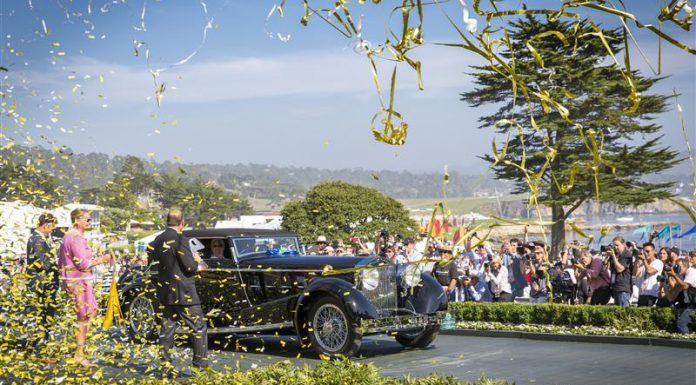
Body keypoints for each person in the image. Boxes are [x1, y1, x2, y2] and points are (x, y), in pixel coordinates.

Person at [148, 208, 208, 375]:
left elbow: (151, 262)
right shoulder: (182, 239)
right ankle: (200, 368)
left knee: (167, 330)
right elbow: (190, 266)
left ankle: (165, 367)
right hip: (184, 292)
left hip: (166, 292)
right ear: (182, 223)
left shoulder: (157, 240)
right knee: (198, 328)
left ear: (167, 221)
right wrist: (200, 263)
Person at [58, 209, 113, 367]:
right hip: (77, 281)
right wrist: (103, 259)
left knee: (90, 313)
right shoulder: (74, 236)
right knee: (83, 316)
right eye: (87, 220)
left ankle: (80, 347)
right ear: (77, 220)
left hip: (82, 280)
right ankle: (79, 352)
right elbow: (82, 263)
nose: (89, 223)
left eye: (89, 220)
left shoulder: (78, 236)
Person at [25, 213, 59, 364]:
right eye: (52, 228)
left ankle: (37, 348)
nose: (52, 231)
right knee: (43, 316)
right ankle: (40, 351)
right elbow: (45, 263)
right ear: (45, 225)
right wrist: (60, 266)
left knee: (44, 317)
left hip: (44, 283)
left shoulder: (38, 238)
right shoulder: (37, 239)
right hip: (41, 283)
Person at [670, 255, 696, 334]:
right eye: (676, 266)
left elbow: (685, 286)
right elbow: (676, 288)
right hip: (690, 303)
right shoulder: (682, 275)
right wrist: (670, 276)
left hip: (693, 304)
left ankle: (687, 342)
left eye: (678, 266)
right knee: (683, 323)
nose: (676, 268)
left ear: (685, 266)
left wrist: (674, 275)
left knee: (681, 323)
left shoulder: (692, 271)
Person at [633, 242, 663, 307]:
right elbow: (635, 274)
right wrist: (636, 260)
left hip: (652, 294)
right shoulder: (642, 263)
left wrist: (644, 261)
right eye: (644, 251)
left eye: (647, 251)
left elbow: (650, 271)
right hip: (642, 294)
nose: (645, 253)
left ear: (653, 252)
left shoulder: (658, 262)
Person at [607, 236, 632, 307]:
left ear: (623, 244)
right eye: (614, 245)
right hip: (615, 287)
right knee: (617, 312)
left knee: (623, 312)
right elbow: (606, 268)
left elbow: (620, 269)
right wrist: (607, 257)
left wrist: (613, 256)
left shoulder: (627, 254)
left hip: (623, 287)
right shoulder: (615, 254)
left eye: (617, 245)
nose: (615, 247)